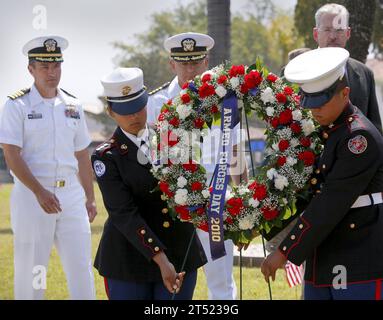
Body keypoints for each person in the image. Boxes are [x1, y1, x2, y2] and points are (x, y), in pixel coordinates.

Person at [261, 47, 383, 300]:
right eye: (310, 103)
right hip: (323, 249)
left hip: (358, 252)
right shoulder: (326, 129)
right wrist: (258, 226)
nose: (315, 110)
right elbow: (308, 192)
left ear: (345, 93)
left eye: (322, 102)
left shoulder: (358, 138)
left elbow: (331, 201)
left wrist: (285, 251)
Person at [147, 32, 246, 300]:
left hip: (216, 202)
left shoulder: (226, 98)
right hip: (173, 205)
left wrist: (243, 197)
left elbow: (234, 151)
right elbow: (152, 158)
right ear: (172, 64)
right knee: (174, 282)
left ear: (207, 62)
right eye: (183, 63)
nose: (190, 69)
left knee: (221, 281)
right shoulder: (156, 103)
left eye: (196, 62)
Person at [92, 67, 207, 300]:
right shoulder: (106, 156)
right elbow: (124, 213)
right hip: (130, 259)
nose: (134, 116)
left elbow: (194, 189)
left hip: (179, 249)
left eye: (138, 107)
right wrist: (161, 259)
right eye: (126, 111)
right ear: (111, 111)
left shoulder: (172, 139)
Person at [0, 36, 96, 300]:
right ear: (30, 69)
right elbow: (11, 154)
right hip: (33, 196)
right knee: (33, 271)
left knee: (81, 268)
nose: (52, 73)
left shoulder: (73, 106)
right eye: (44, 67)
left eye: (56, 66)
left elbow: (81, 155)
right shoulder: (16, 105)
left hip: (71, 196)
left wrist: (89, 197)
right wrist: (40, 192)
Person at [313, 3, 382, 133]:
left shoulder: (365, 74)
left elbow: (375, 128)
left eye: (339, 30)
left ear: (348, 33)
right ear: (316, 34)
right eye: (327, 30)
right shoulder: (298, 71)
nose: (333, 36)